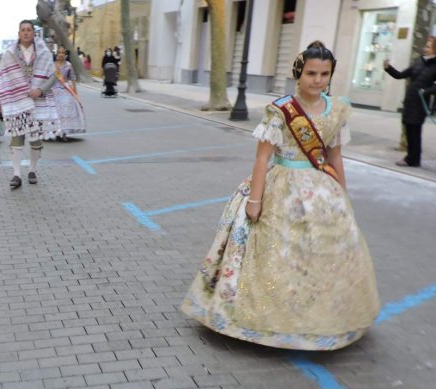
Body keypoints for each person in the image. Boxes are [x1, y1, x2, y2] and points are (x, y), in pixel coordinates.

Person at [181, 41, 379, 351]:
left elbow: (335, 156)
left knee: (319, 256)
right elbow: (262, 158)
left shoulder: (337, 109)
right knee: (276, 254)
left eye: (324, 74)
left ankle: (319, 320)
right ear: (299, 73)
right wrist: (255, 200)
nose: (318, 80)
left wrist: (342, 195)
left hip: (322, 192)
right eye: (311, 73)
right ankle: (263, 320)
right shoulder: (281, 110)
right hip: (281, 187)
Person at [0, 19, 60, 189]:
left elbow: (54, 75)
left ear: (33, 33)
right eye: (23, 30)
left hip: (39, 101)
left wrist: (41, 89)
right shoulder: (9, 54)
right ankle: (16, 174)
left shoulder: (44, 53)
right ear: (19, 33)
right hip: (17, 102)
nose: (26, 32)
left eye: (28, 30)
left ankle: (32, 170)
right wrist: (3, 98)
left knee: (36, 140)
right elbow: (1, 76)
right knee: (17, 138)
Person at [383, 36, 436, 167]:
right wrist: (388, 68)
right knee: (409, 131)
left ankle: (412, 159)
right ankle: (412, 159)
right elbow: (400, 75)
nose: (425, 48)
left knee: (415, 132)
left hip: (420, 104)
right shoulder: (419, 62)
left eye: (428, 47)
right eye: (426, 46)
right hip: (409, 102)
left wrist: (425, 91)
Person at [52, 45, 85, 140]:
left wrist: (75, 93)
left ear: (65, 55)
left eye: (63, 53)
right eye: (59, 52)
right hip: (54, 89)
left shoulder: (69, 65)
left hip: (65, 89)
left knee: (67, 108)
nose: (61, 55)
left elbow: (72, 78)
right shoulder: (52, 65)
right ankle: (55, 131)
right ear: (56, 54)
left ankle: (64, 132)